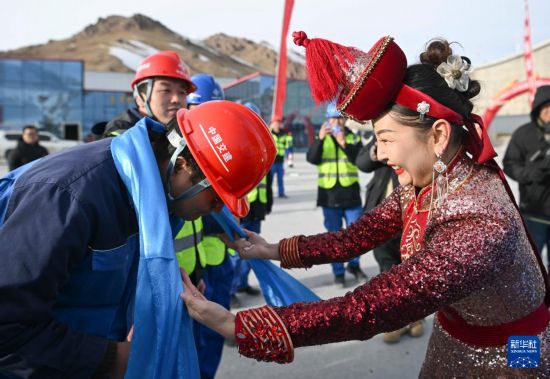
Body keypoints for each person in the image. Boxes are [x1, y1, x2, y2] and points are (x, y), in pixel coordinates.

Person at [182, 33, 550, 377]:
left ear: (438, 135)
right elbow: (358, 236)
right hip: (455, 334)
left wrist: (238, 326)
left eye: (386, 139)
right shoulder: (432, 181)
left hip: (511, 350)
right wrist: (273, 248)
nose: (381, 153)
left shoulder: (479, 222)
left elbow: (371, 307)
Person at [0, 100, 275, 378]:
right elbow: (7, 323)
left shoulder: (157, 194)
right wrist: (109, 359)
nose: (218, 209)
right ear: (182, 164)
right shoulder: (69, 196)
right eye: (216, 196)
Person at [356, 138, 423, 342]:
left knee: (411, 271)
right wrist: (376, 150)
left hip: (410, 216)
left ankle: (415, 317)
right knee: (387, 270)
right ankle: (395, 320)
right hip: (381, 216)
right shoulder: (378, 139)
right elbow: (362, 162)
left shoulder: (410, 134)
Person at [306, 101, 367, 287]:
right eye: (333, 118)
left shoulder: (352, 137)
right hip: (329, 195)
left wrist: (343, 143)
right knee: (333, 236)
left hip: (350, 194)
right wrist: (319, 139)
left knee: (356, 234)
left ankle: (354, 266)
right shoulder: (322, 137)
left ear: (345, 119)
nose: (336, 123)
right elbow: (312, 158)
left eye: (340, 118)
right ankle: (338, 272)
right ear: (327, 120)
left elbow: (359, 161)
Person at [503, 85, 550, 268]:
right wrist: (530, 174)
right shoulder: (523, 134)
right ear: (538, 109)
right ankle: (539, 298)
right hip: (533, 214)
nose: (549, 112)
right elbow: (510, 164)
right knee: (532, 266)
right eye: (545, 107)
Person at [103, 50, 195, 137]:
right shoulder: (120, 133)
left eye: (182, 92)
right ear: (140, 98)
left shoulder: (185, 132)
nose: (176, 99)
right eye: (166, 90)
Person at [231, 101, 270, 300]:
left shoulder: (259, 146)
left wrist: (268, 203)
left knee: (250, 250)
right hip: (238, 210)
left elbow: (266, 179)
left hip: (256, 208)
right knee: (236, 250)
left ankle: (242, 283)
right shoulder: (235, 144)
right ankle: (232, 288)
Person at [270, 119, 288, 198]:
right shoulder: (270, 134)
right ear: (272, 125)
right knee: (270, 179)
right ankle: (269, 194)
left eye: (278, 124)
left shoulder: (283, 134)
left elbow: (286, 146)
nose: (277, 125)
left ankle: (281, 193)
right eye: (275, 124)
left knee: (280, 179)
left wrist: (287, 158)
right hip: (272, 162)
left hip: (280, 161)